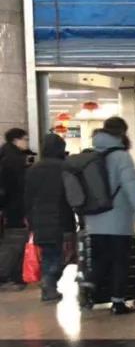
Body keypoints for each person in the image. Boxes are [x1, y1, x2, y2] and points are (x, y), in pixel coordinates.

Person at [84, 117, 135, 315]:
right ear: (122, 132)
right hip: (118, 221)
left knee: (99, 260)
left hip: (94, 219)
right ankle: (118, 302)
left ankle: (89, 289)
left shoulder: (91, 155)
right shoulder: (121, 157)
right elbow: (132, 187)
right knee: (120, 262)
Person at [24, 133, 75, 302]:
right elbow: (71, 195)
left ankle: (49, 285)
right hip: (61, 217)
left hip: (39, 218)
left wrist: (30, 219)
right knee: (63, 255)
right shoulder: (65, 168)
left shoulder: (33, 170)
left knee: (48, 253)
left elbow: (27, 197)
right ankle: (49, 281)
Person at [0, 127, 33, 290]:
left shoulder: (5, 156)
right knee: (14, 243)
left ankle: (14, 276)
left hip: (8, 208)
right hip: (15, 208)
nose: (27, 142)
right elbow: (19, 188)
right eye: (25, 139)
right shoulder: (14, 160)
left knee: (12, 242)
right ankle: (7, 276)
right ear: (16, 140)